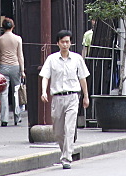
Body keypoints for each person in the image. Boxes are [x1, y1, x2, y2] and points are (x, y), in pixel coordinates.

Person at [40, 29, 90, 170]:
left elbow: (82, 78)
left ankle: (67, 157)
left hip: (73, 96)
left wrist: (86, 96)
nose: (65, 44)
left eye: (67, 42)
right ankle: (64, 151)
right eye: (62, 42)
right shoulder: (51, 59)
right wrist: (44, 91)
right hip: (57, 98)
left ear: (71, 43)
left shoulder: (77, 59)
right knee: (58, 131)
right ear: (58, 43)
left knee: (69, 128)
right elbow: (45, 76)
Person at [0, 18, 25, 126]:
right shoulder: (18, 39)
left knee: (3, 93)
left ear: (3, 27)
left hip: (3, 66)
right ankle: (17, 117)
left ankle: (4, 119)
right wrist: (22, 70)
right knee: (16, 92)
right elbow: (20, 55)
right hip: (15, 66)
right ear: (13, 26)